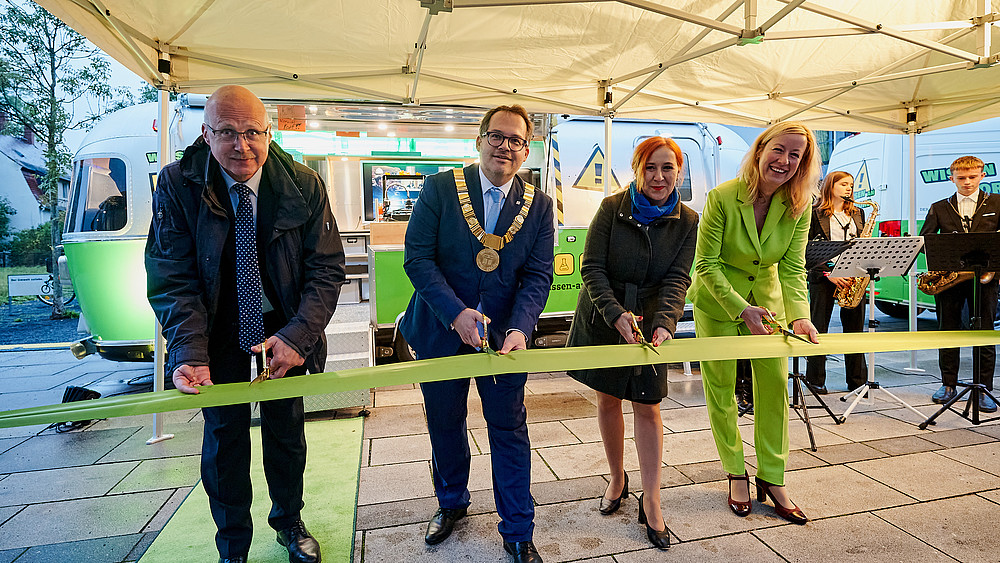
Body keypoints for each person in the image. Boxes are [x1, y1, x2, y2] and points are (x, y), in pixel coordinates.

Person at [145, 85, 346, 563]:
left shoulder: (303, 184)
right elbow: (172, 277)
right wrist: (190, 353)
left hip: (283, 334)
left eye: (253, 132)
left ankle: (289, 522)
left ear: (269, 133)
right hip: (215, 340)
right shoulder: (177, 184)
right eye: (228, 133)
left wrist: (299, 337)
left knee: (286, 433)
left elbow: (326, 268)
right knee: (223, 441)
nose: (242, 145)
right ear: (206, 134)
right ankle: (232, 542)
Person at [398, 104, 554, 563]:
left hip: (504, 342)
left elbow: (538, 276)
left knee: (509, 428)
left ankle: (519, 529)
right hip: (442, 332)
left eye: (517, 141)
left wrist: (522, 329)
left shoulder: (540, 205)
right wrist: (455, 313)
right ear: (480, 138)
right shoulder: (441, 189)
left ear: (526, 151)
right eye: (498, 136)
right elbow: (418, 260)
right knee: (445, 424)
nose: (506, 147)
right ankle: (451, 504)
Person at [566, 136, 697, 550]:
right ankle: (617, 478)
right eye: (650, 168)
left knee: (649, 405)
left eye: (668, 168)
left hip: (652, 319)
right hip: (606, 316)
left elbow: (678, 278)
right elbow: (592, 267)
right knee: (607, 400)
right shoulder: (611, 208)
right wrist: (614, 313)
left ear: (679, 171)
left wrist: (666, 323)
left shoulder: (688, 220)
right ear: (637, 170)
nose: (659, 177)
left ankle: (653, 498)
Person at [687, 121, 821, 525]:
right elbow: (705, 264)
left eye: (795, 155)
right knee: (721, 388)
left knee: (775, 388)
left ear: (803, 164)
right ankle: (735, 472)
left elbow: (794, 268)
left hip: (769, 304)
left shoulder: (799, 204)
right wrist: (739, 307)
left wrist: (800, 316)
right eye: (778, 150)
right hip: (718, 303)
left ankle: (773, 477)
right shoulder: (722, 197)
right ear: (761, 150)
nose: (784, 161)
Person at [919, 155, 1000, 413]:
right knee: (948, 330)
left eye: (972, 177)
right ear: (951, 177)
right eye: (961, 178)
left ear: (982, 176)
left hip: (984, 279)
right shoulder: (939, 206)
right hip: (950, 281)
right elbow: (926, 241)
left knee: (984, 332)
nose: (967, 182)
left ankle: (984, 387)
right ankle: (948, 384)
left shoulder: (997, 203)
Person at [805, 171, 869, 394]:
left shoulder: (859, 213)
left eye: (851, 185)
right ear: (830, 186)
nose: (849, 188)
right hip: (824, 277)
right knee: (817, 329)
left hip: (852, 277)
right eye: (843, 184)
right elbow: (805, 250)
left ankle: (857, 382)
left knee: (855, 331)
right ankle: (815, 381)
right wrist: (828, 273)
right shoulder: (814, 213)